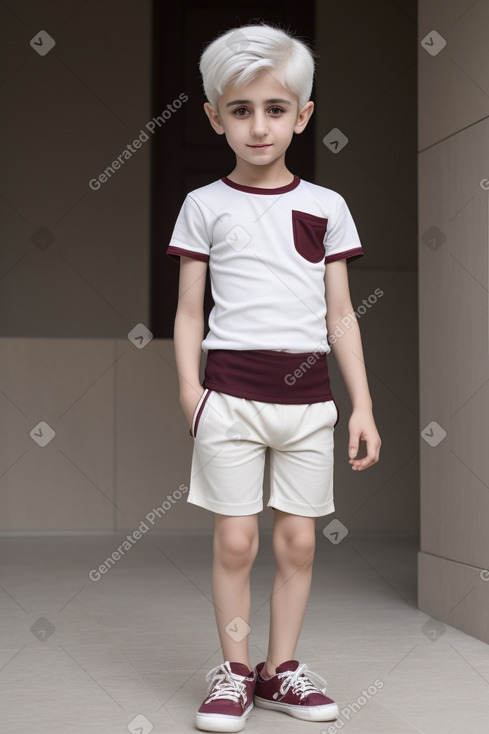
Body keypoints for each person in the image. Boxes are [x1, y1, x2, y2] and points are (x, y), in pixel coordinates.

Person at [167, 21, 381, 733]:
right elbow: (188, 313)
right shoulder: (204, 205)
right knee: (236, 542)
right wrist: (191, 394)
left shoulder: (326, 208)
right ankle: (231, 672)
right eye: (239, 110)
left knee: (296, 541)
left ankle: (278, 671)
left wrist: (361, 407)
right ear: (213, 117)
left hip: (309, 404)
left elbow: (341, 316)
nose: (258, 126)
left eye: (275, 109)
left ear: (303, 115)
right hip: (227, 400)